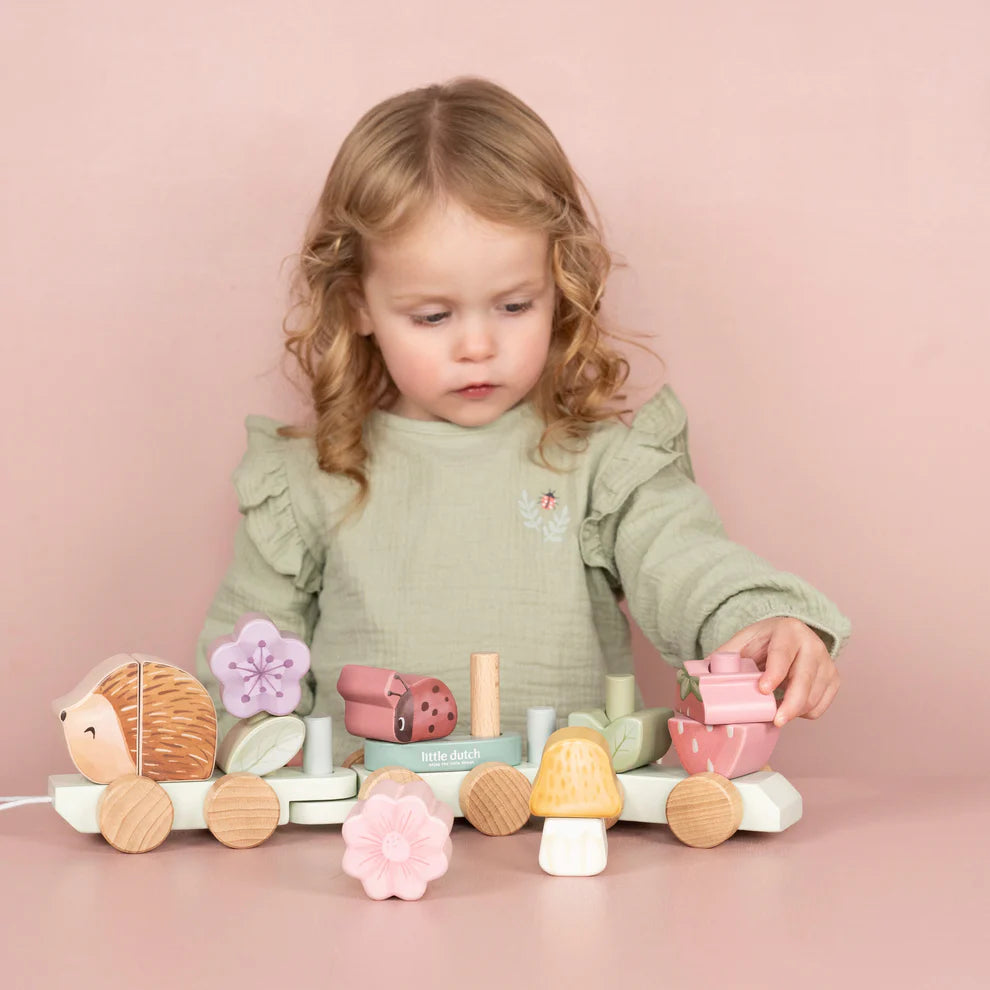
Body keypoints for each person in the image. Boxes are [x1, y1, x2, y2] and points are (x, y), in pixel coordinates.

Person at [195, 77, 850, 761]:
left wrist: (759, 619)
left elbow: (685, 560)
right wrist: (261, 757)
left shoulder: (598, 464)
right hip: (373, 831)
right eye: (432, 316)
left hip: (562, 826)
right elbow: (241, 670)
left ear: (557, 286)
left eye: (514, 306)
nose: (477, 346)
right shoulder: (308, 478)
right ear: (358, 304)